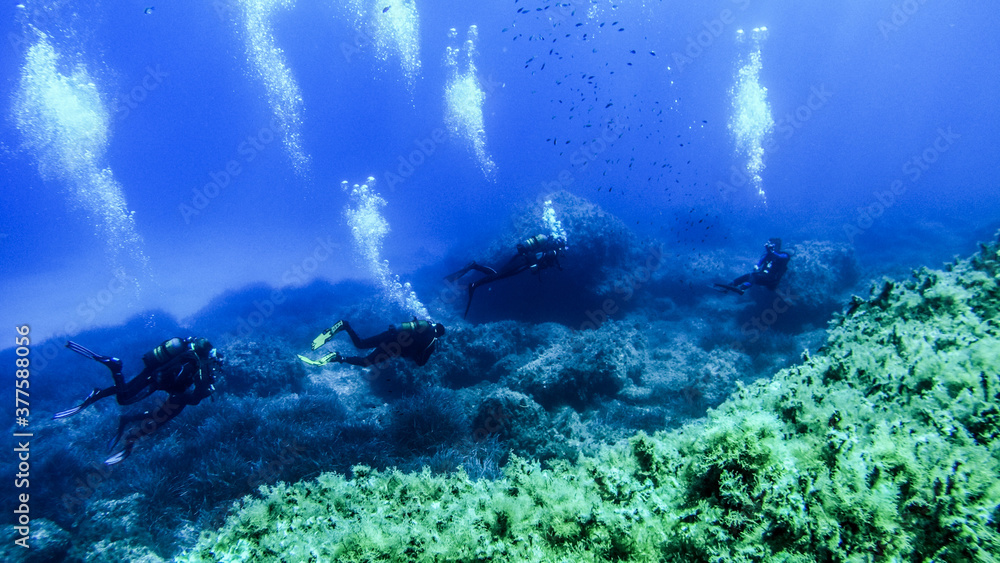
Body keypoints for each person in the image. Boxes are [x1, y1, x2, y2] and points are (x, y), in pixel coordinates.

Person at [54, 337, 221, 464]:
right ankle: (115, 368)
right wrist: (205, 389)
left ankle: (99, 396)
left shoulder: (188, 350)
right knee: (127, 400)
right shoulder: (195, 363)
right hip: (156, 380)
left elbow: (178, 381)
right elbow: (190, 395)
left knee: (137, 401)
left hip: (153, 372)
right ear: (207, 356)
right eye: (213, 361)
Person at [445, 233, 567, 317]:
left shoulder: (548, 247)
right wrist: (534, 267)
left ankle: (474, 268)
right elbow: (534, 258)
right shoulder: (552, 252)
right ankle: (474, 284)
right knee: (498, 275)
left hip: (520, 259)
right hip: (522, 262)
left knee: (498, 274)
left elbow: (539, 258)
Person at [298, 318, 445, 369]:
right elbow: (421, 363)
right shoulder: (432, 342)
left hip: (391, 335)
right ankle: (337, 357)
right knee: (365, 362)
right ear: (438, 335)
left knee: (360, 343)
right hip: (394, 348)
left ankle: (345, 325)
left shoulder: (423, 325)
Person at [714, 238, 791, 295]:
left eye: (772, 244)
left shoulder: (784, 255)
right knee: (747, 276)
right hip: (763, 277)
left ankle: (741, 289)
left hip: (772, 280)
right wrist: (756, 266)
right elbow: (760, 262)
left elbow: (779, 257)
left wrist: (771, 251)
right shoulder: (768, 255)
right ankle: (728, 287)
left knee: (754, 277)